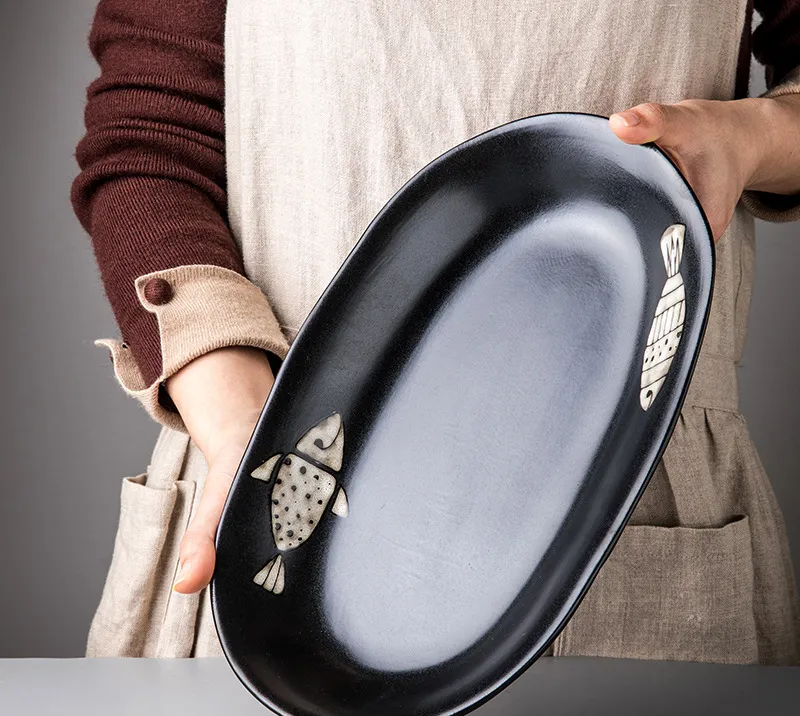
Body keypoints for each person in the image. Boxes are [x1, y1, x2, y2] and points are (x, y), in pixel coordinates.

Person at [72, 0, 800, 662]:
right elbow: (152, 136)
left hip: (633, 475)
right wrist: (238, 424)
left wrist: (752, 136)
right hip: (266, 456)